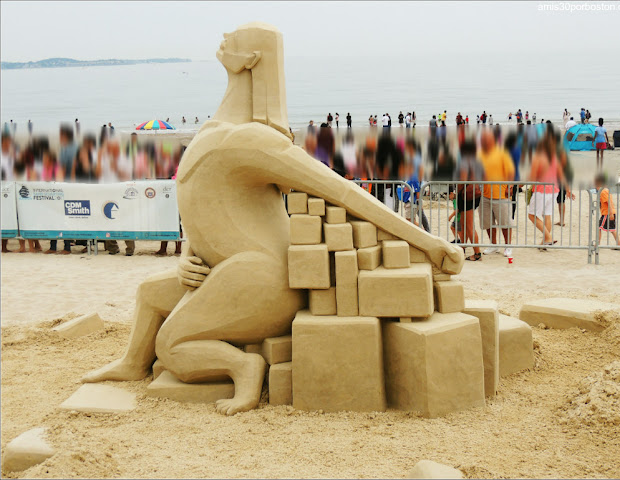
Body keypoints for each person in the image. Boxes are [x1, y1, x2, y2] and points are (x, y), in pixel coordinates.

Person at [82, 23, 462, 417]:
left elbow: (343, 192)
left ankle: (245, 369)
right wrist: (189, 256)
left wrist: (429, 243)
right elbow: (205, 209)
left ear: (252, 60)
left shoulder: (255, 140)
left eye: (236, 36)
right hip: (227, 270)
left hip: (265, 278)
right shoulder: (217, 131)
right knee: (149, 293)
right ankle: (132, 363)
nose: (224, 37)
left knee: (172, 345)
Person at [478, 130, 515, 257]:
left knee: (504, 222)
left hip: (501, 195)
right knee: (488, 222)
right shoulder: (480, 154)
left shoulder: (502, 153)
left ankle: (508, 245)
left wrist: (510, 186)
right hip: (485, 194)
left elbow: (511, 172)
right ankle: (493, 244)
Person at [455, 141, 484, 261]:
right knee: (464, 224)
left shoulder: (464, 163)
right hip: (474, 194)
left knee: (468, 226)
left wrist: (456, 191)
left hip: (466, 195)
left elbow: (462, 181)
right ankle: (462, 248)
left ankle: (477, 253)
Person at [595, 173, 620, 249]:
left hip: (607, 213)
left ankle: (597, 244)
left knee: (599, 227)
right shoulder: (605, 190)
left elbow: (608, 202)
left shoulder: (603, 192)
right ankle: (618, 245)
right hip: (609, 212)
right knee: (612, 229)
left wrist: (610, 214)